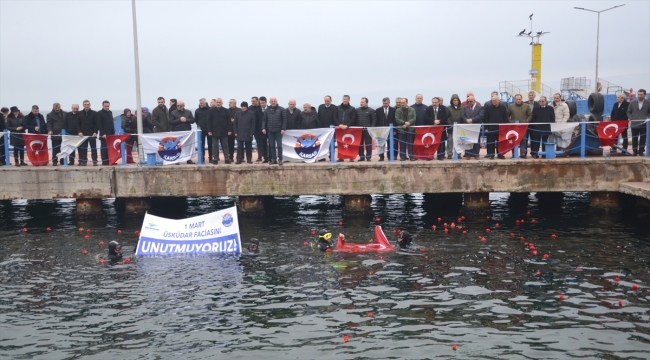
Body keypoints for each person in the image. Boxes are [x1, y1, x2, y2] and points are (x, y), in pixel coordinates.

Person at [262, 97, 287, 165]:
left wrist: (283, 128)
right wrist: (263, 128)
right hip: (270, 131)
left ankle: (280, 159)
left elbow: (284, 120)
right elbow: (264, 120)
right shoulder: (267, 110)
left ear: (276, 101)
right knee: (272, 146)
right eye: (272, 101)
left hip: (279, 131)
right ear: (270, 102)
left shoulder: (281, 109)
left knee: (279, 146)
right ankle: (273, 159)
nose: (273, 102)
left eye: (274, 101)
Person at [483, 94, 509, 159]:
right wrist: (486, 128)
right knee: (491, 142)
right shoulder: (488, 108)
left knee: (500, 143)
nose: (494, 102)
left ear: (498, 100)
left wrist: (506, 128)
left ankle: (500, 154)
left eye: (495, 100)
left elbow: (505, 118)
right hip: (491, 128)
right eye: (493, 101)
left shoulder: (503, 108)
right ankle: (491, 155)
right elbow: (485, 119)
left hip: (500, 129)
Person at [207, 98, 231, 164]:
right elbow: (209, 121)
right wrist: (209, 130)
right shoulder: (211, 110)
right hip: (214, 131)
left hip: (224, 131)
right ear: (215, 103)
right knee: (214, 146)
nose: (218, 103)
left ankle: (226, 158)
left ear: (222, 103)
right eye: (217, 102)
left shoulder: (226, 110)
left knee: (225, 145)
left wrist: (229, 130)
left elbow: (229, 121)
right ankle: (215, 159)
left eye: (219, 102)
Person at [627, 89, 650, 156]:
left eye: (641, 95)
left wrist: (647, 118)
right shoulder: (633, 103)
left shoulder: (648, 103)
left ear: (644, 95)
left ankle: (641, 151)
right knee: (634, 138)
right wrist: (631, 118)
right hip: (634, 124)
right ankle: (634, 151)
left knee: (643, 138)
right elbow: (628, 111)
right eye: (638, 94)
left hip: (644, 124)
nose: (639, 96)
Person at [77, 100, 98, 166]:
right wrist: (79, 132)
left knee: (93, 148)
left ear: (90, 105)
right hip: (82, 135)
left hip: (92, 134)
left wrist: (95, 132)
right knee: (83, 148)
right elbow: (77, 124)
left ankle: (94, 161)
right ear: (83, 105)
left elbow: (96, 124)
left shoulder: (94, 113)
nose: (86, 105)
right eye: (85, 104)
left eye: (88, 104)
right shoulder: (79, 113)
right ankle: (84, 161)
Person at [318, 95, 338, 161]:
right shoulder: (320, 107)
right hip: (322, 129)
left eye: (328, 101)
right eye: (325, 101)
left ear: (331, 101)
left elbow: (335, 117)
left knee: (331, 143)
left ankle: (331, 156)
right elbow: (319, 117)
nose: (326, 102)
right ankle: (322, 157)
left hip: (331, 129)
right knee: (322, 143)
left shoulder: (335, 108)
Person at [375, 97, 396, 161]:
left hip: (390, 130)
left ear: (389, 103)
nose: (385, 104)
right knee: (381, 144)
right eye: (383, 103)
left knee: (390, 143)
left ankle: (389, 156)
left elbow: (395, 121)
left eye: (386, 103)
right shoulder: (378, 110)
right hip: (381, 130)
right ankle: (381, 157)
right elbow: (376, 120)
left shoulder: (393, 110)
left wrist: (395, 130)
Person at [356, 97, 376, 161]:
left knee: (368, 143)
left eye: (362, 102)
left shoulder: (371, 110)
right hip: (359, 130)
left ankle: (368, 157)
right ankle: (361, 156)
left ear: (366, 103)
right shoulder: (357, 110)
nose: (361, 103)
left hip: (368, 130)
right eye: (361, 102)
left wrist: (371, 128)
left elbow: (374, 120)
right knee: (360, 144)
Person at [95, 101, 115, 166]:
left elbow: (111, 123)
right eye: (105, 106)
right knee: (104, 148)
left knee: (110, 148)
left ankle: (111, 160)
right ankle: (104, 161)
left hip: (111, 133)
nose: (106, 107)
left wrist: (113, 132)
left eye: (108, 106)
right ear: (102, 106)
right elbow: (99, 124)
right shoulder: (99, 113)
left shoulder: (110, 112)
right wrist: (103, 133)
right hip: (103, 134)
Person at [195, 98, 212, 164]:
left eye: (202, 103)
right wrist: (199, 125)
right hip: (201, 131)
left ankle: (210, 158)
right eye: (200, 103)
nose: (201, 104)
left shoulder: (210, 110)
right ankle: (202, 158)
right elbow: (196, 120)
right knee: (201, 145)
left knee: (210, 145)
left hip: (209, 130)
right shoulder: (197, 110)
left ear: (205, 103)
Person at [249, 97, 265, 163]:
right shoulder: (250, 108)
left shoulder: (261, 108)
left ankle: (265, 156)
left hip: (262, 128)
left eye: (254, 101)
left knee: (263, 143)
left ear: (257, 101)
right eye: (252, 101)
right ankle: (259, 156)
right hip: (254, 129)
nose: (252, 102)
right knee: (258, 143)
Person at [254, 96, 269, 163]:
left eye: (263, 103)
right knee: (262, 144)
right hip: (260, 131)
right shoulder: (257, 111)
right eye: (261, 103)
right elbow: (255, 121)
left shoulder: (270, 109)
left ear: (266, 102)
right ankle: (264, 157)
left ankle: (270, 157)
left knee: (270, 144)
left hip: (269, 130)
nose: (262, 104)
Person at [227, 99, 240, 163]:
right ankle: (231, 157)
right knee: (230, 145)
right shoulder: (227, 111)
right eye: (229, 102)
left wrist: (235, 120)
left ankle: (240, 157)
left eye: (231, 102)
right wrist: (230, 120)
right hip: (230, 130)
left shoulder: (239, 110)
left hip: (238, 130)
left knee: (239, 144)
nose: (229, 104)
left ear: (235, 103)